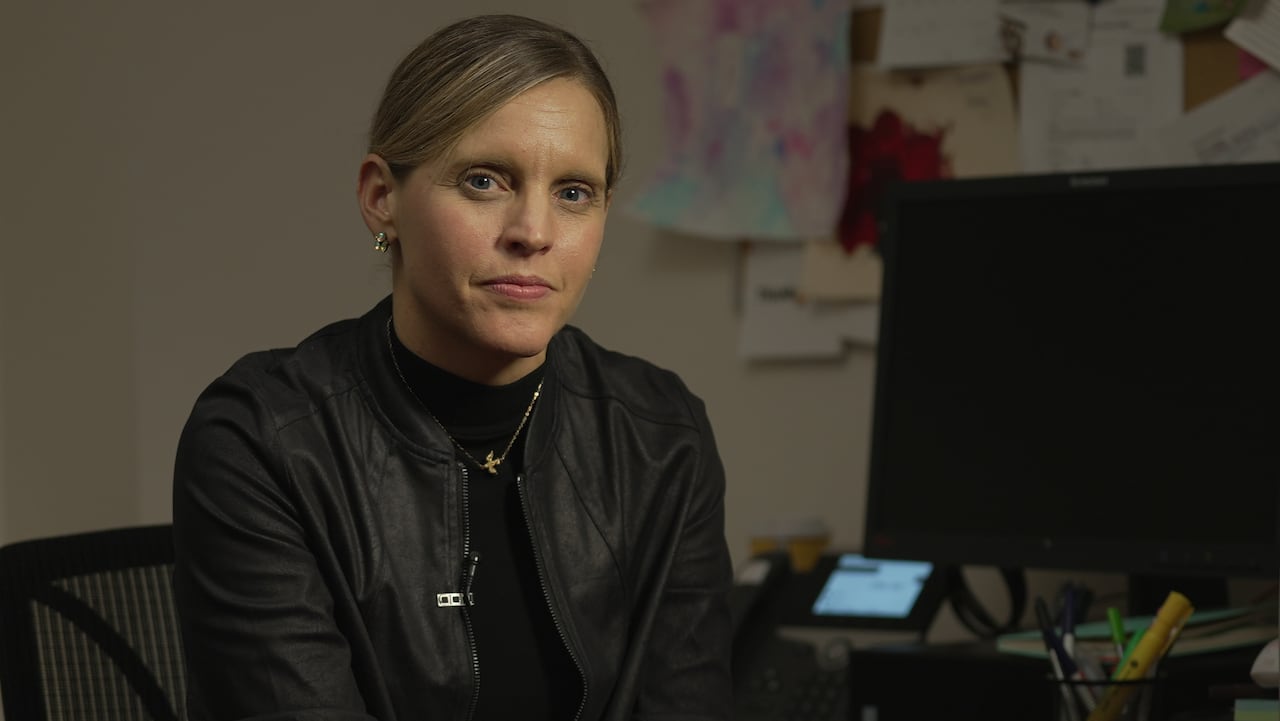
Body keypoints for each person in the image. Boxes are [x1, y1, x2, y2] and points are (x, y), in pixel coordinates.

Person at [172, 13, 734, 721]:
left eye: (573, 192)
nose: (534, 232)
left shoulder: (661, 438)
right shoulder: (263, 439)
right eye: (483, 180)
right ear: (383, 199)